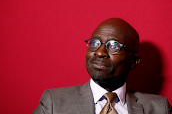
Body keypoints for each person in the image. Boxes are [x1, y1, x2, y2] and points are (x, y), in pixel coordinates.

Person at [33, 18, 171, 114]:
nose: (99, 52)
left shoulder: (159, 108)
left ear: (134, 61)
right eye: (94, 43)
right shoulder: (54, 103)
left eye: (114, 46)